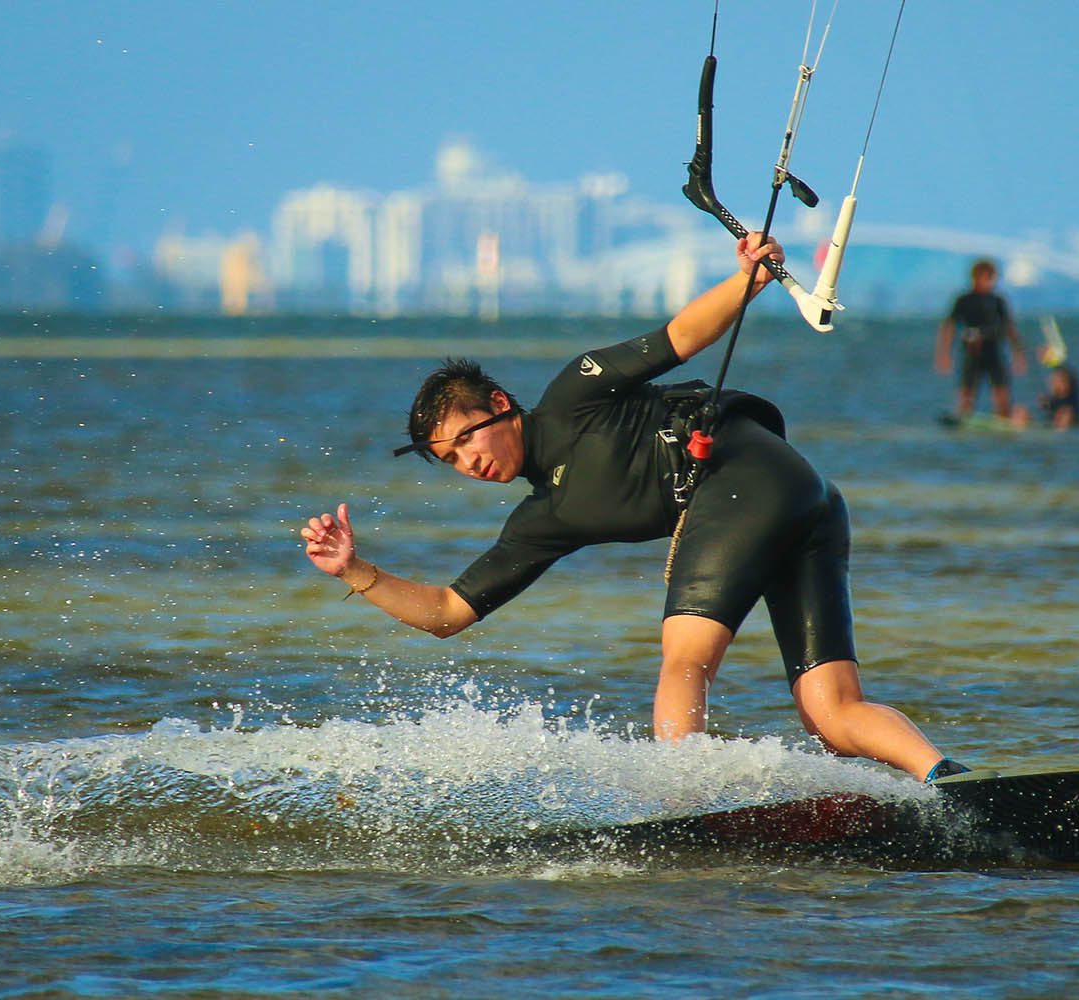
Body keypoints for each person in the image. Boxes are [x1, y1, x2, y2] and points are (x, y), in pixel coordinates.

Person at [301, 233, 967, 783]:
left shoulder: (574, 394)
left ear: (499, 404)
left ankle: (685, 804)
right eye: (451, 461)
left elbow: (679, 336)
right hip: (808, 500)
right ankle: (949, 782)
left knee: (684, 659)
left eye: (467, 439)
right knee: (833, 713)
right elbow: (448, 612)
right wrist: (355, 570)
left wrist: (750, 281)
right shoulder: (543, 518)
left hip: (747, 477)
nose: (469, 463)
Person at [935, 258, 1027, 421]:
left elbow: (1009, 328)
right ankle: (964, 417)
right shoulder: (964, 300)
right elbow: (949, 326)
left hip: (993, 350)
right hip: (972, 351)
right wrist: (944, 354)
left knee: (1001, 392)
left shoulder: (997, 301)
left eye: (992, 278)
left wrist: (1018, 354)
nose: (990, 282)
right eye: (987, 277)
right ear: (976, 277)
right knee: (967, 392)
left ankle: (1003, 418)